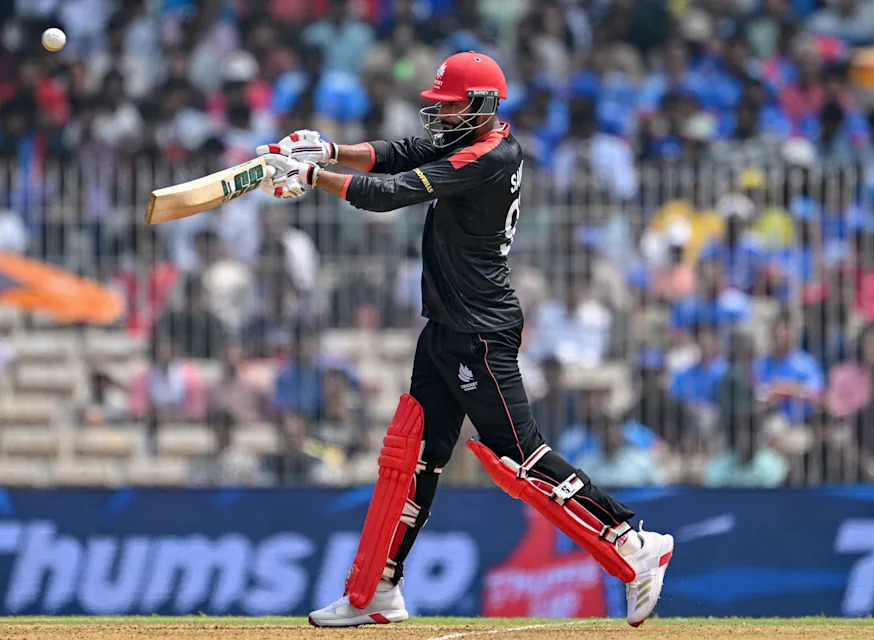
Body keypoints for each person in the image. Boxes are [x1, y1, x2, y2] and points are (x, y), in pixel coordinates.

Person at [255, 51, 673, 628]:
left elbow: (390, 193)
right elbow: (399, 153)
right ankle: (376, 590)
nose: (441, 115)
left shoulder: (488, 155)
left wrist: (309, 178)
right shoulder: (466, 140)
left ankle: (632, 541)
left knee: (519, 456)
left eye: (450, 106)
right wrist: (327, 151)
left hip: (480, 332)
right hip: (445, 328)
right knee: (413, 455)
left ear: (483, 105)